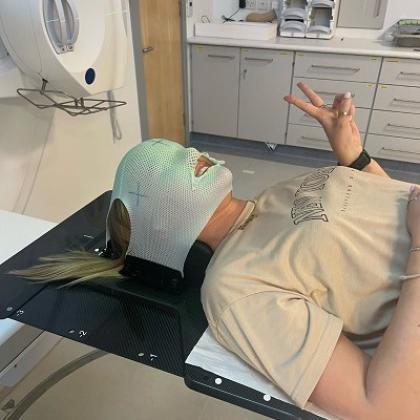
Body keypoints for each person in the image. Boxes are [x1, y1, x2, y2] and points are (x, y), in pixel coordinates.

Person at [12, 82, 420, 419]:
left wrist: (357, 159)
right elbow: (385, 408)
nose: (190, 153)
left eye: (179, 148)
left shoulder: (271, 195)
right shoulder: (234, 286)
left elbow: (388, 213)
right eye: (166, 165)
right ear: (158, 222)